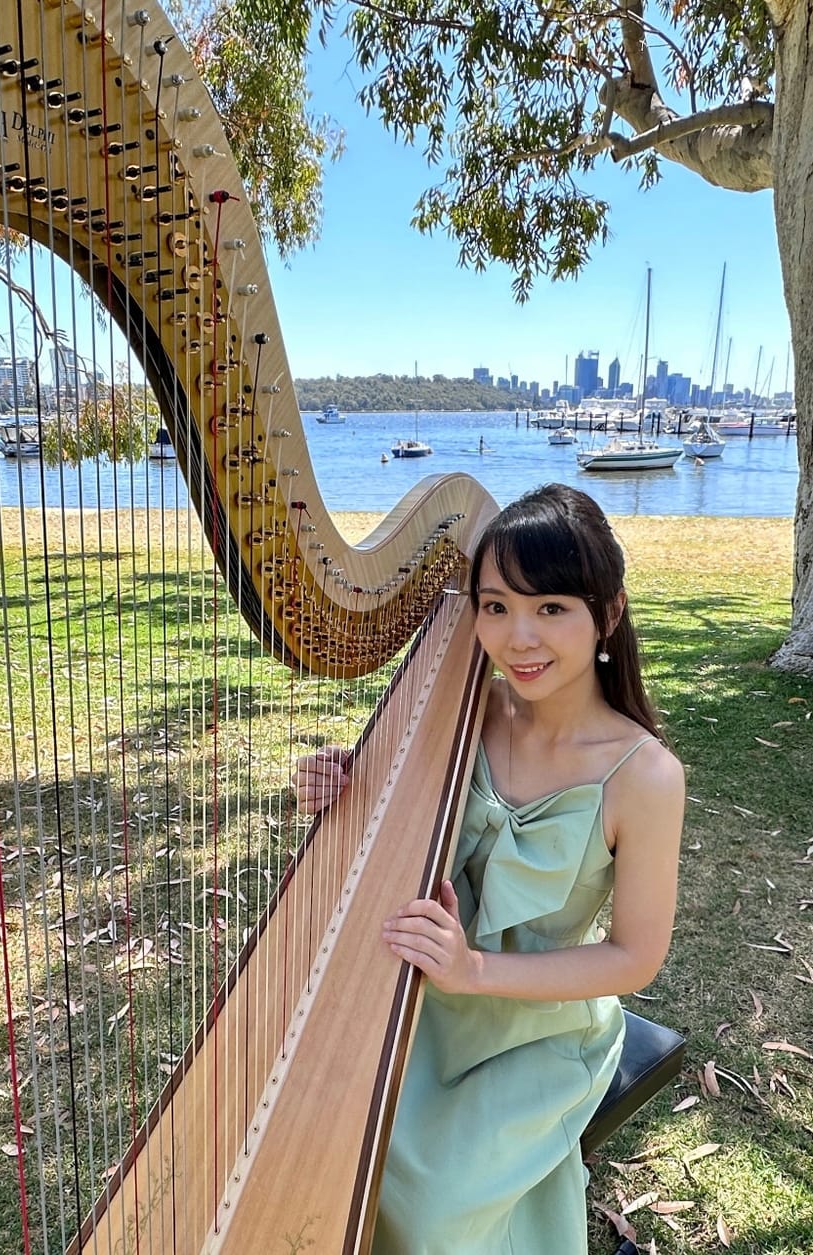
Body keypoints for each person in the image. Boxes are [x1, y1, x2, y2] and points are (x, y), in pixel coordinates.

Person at [293, 483, 686, 1255]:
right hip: (424, 998)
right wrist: (335, 784)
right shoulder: (468, 705)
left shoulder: (643, 775)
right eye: (497, 606)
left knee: (428, 1203)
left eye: (550, 608)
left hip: (538, 1028)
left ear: (607, 615)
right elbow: (383, 824)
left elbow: (634, 956)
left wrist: (472, 969)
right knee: (327, 1139)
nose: (518, 637)